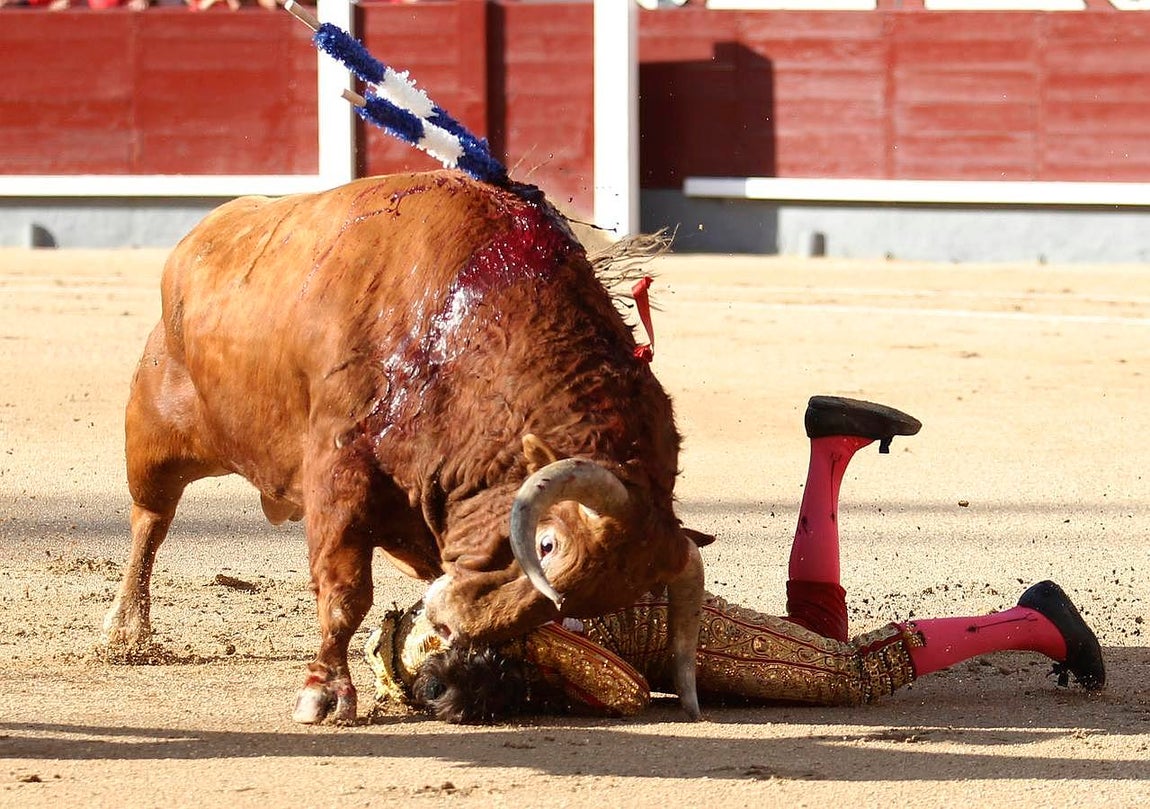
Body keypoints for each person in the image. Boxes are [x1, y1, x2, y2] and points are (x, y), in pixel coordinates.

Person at [364, 396, 1106, 723]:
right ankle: (832, 452)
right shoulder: (494, 586)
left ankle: (1033, 620)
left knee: (848, 673)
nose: (435, 622)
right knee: (819, 639)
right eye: (431, 638)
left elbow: (624, 692)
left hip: (688, 633)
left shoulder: (528, 642)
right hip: (666, 609)